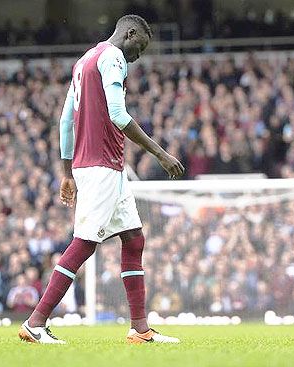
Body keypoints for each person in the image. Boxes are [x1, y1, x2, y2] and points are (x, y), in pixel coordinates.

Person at [19, 14, 184, 344]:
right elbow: (118, 114)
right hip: (101, 167)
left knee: (134, 239)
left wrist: (67, 172)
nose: (138, 56)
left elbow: (66, 120)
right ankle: (35, 323)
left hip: (102, 167)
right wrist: (160, 154)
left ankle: (140, 329)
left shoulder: (84, 61)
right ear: (130, 33)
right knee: (83, 244)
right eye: (140, 47)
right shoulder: (113, 57)